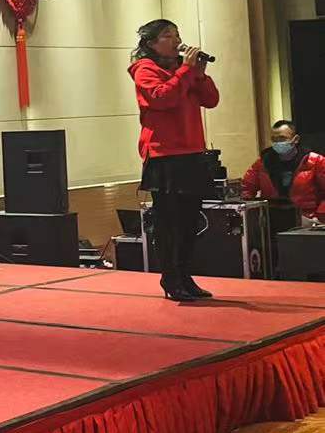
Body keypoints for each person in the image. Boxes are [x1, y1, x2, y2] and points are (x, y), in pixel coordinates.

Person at [129, 18, 220, 301]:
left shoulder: (185, 70)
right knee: (169, 222)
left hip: (192, 152)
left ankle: (185, 275)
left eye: (177, 34)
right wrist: (185, 71)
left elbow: (211, 100)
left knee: (191, 220)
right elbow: (162, 99)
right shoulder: (145, 69)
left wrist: (200, 74)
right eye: (168, 36)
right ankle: (170, 278)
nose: (177, 40)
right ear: (151, 43)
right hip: (164, 155)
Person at [241, 120, 324, 221]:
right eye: (274, 139)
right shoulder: (263, 162)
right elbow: (246, 189)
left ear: (296, 139)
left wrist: (319, 217)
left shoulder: (316, 161)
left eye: (282, 138)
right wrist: (252, 215)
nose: (278, 143)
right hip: (272, 219)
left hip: (307, 219)